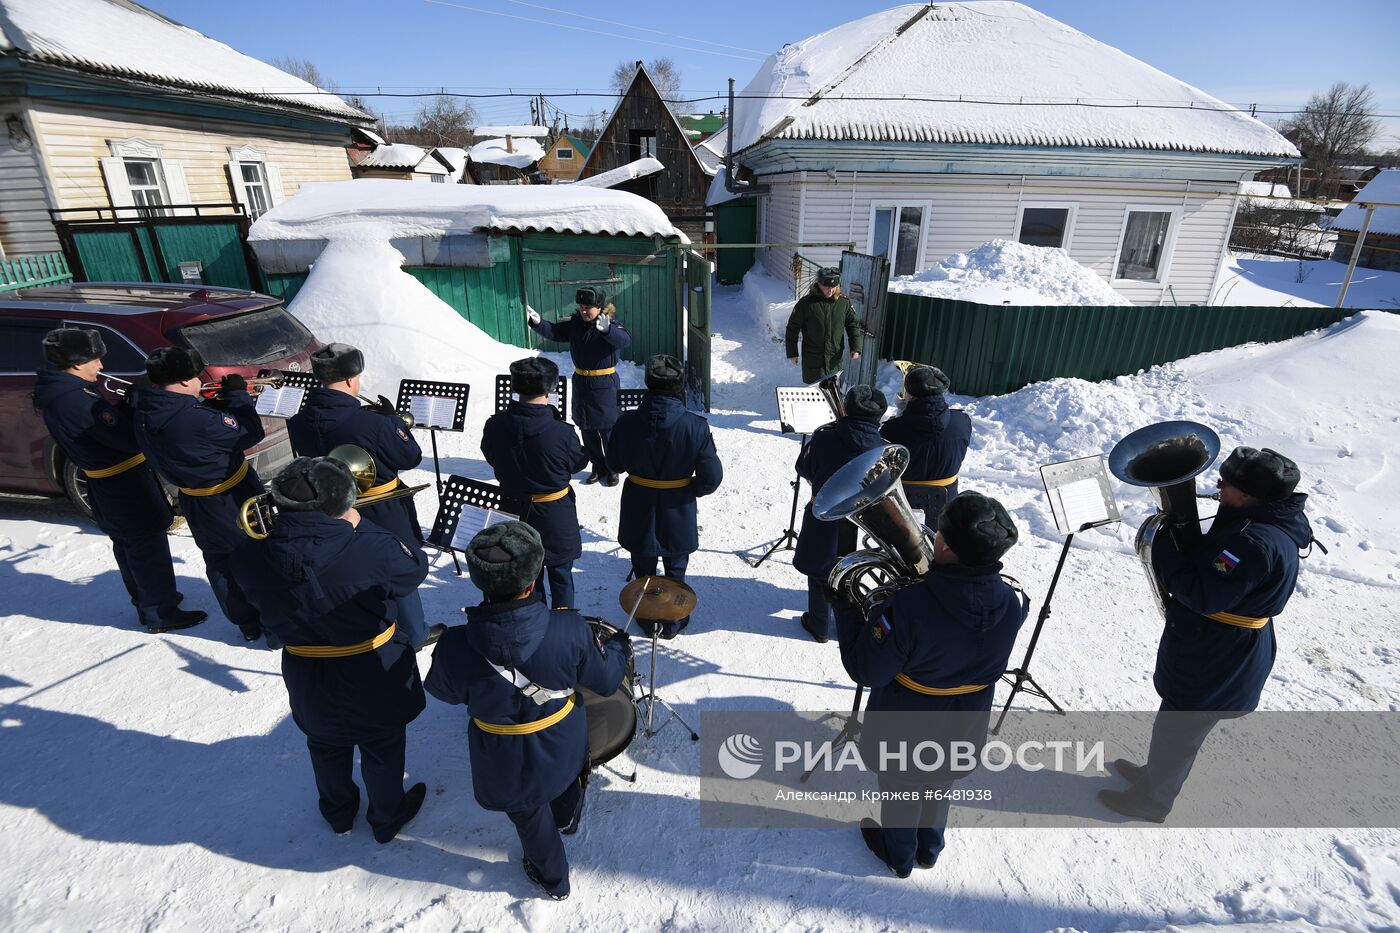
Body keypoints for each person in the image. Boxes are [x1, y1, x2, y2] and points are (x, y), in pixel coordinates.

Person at [1100, 446, 1313, 823]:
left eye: (1226, 484)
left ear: (1249, 496)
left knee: (1181, 728)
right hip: (1219, 644)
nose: (1218, 487)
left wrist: (1164, 549)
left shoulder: (1251, 541)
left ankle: (1152, 801)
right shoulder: (1253, 519)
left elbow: (1201, 593)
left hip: (1218, 654)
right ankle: (1156, 775)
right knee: (1176, 724)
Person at [425, 521, 631, 901]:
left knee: (528, 816)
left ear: (480, 582)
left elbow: (445, 693)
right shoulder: (569, 629)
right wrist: (618, 648)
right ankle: (566, 818)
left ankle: (554, 879)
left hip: (503, 758)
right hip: (562, 737)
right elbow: (604, 682)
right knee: (568, 775)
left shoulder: (454, 645)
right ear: (533, 581)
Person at [230, 457, 429, 843]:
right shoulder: (371, 547)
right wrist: (359, 524)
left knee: (323, 742)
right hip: (372, 664)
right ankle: (386, 817)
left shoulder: (248, 555)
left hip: (306, 668)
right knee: (382, 743)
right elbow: (414, 570)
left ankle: (338, 813)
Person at [834, 491, 1028, 878]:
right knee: (941, 781)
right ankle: (930, 848)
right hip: (966, 721)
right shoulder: (1013, 600)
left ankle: (899, 854)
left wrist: (850, 610)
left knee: (902, 788)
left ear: (943, 543)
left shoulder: (908, 607)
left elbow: (866, 671)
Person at [32, 328, 205, 633]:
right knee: (145, 543)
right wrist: (138, 407)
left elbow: (105, 431)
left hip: (107, 481)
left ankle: (149, 597)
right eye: (94, 360)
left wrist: (124, 405)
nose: (100, 367)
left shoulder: (62, 389)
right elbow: (127, 439)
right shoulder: (74, 400)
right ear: (75, 363)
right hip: (122, 483)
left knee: (128, 544)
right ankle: (160, 612)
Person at [287, 343, 433, 647]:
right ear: (353, 379)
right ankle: (414, 634)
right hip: (383, 508)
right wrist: (393, 424)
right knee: (399, 564)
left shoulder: (299, 420)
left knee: (353, 563)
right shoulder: (372, 423)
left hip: (334, 507)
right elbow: (411, 458)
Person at [130, 347, 266, 643]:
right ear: (180, 381)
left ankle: (246, 624)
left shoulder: (143, 407)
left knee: (219, 560)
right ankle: (270, 620)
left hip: (195, 499)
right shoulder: (193, 417)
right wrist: (239, 398)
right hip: (230, 496)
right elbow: (251, 432)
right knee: (255, 555)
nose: (198, 381)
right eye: (193, 377)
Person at [605, 354, 723, 637]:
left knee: (643, 568)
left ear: (648, 383)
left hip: (639, 502)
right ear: (680, 386)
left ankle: (646, 618)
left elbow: (614, 464)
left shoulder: (627, 422)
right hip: (677, 505)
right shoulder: (695, 426)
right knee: (676, 568)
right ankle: (672, 621)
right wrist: (689, 489)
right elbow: (712, 477)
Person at [481, 357, 590, 609]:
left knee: (525, 573)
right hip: (554, 513)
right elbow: (577, 464)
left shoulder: (495, 425)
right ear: (550, 390)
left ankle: (532, 615)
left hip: (512, 509)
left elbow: (490, 455)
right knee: (561, 574)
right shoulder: (562, 432)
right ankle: (563, 621)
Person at [793, 384, 887, 643]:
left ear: (846, 408)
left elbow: (803, 467)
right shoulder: (884, 446)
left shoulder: (824, 437)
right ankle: (851, 619)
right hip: (866, 520)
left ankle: (819, 624)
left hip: (826, 514)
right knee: (855, 570)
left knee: (820, 570)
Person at [527, 286, 632, 486]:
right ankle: (597, 466)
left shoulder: (611, 324)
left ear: (600, 307)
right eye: (582, 306)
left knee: (607, 430)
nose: (585, 311)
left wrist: (607, 330)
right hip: (582, 382)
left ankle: (612, 469)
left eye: (589, 307)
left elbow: (625, 340)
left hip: (604, 385)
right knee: (587, 428)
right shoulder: (576, 324)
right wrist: (538, 323)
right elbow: (556, 332)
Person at [879, 365, 971, 531]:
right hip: (946, 503)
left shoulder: (891, 429)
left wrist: (900, 417)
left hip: (901, 505)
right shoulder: (962, 422)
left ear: (910, 395)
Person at [785, 266, 862, 384]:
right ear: (819, 284)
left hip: (834, 359)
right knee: (815, 395)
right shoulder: (806, 304)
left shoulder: (843, 303)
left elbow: (853, 325)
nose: (830, 291)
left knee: (832, 395)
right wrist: (792, 353)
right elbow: (792, 328)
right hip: (813, 360)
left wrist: (855, 347)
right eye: (826, 287)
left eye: (833, 287)